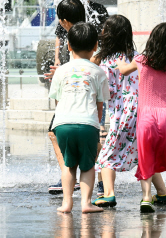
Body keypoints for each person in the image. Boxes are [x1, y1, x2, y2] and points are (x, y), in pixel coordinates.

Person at [117, 22, 166, 212]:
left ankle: (147, 198)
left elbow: (123, 71)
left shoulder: (141, 60)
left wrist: (119, 61)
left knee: (146, 159)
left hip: (146, 117)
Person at [48, 22, 108, 213]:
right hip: (87, 123)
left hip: (62, 124)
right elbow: (100, 105)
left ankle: (66, 203)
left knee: (68, 164)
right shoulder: (98, 72)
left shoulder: (60, 71)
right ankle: (86, 203)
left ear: (68, 46)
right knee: (88, 166)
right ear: (96, 46)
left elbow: (57, 101)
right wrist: (97, 125)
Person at [91, 15, 139, 208]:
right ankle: (163, 192)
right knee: (141, 154)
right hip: (140, 109)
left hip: (122, 114)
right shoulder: (134, 54)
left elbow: (103, 89)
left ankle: (109, 194)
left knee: (105, 157)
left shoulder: (104, 59)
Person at [47, 0, 87, 195]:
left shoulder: (75, 36)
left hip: (74, 93)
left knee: (55, 132)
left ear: (64, 20)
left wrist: (60, 73)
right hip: (85, 93)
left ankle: (67, 176)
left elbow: (79, 65)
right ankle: (86, 179)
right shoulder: (87, 31)